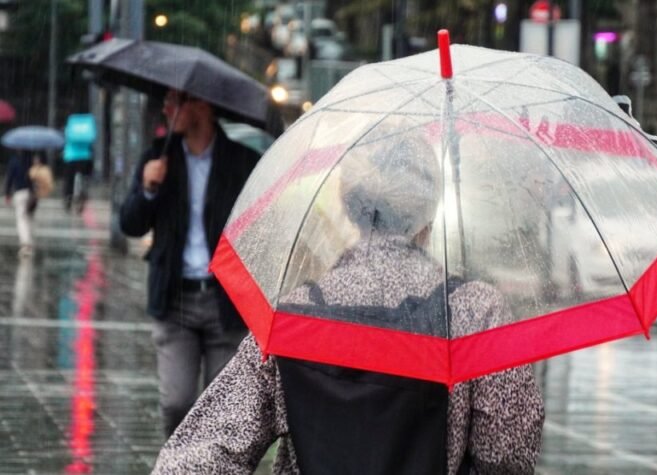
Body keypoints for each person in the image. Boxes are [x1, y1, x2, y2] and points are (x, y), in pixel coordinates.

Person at [152, 133, 545, 474]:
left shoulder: (294, 318)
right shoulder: (476, 313)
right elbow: (508, 454)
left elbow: (201, 454)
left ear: (348, 205)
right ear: (431, 210)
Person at [119, 89, 261, 438]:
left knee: (222, 410)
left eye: (175, 101)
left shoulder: (242, 162)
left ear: (203, 105)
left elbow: (258, 227)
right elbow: (130, 224)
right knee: (177, 402)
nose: (166, 109)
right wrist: (148, 190)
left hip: (224, 300)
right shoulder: (158, 157)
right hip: (175, 298)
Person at [63, 113, 97, 213]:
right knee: (85, 179)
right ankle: (82, 197)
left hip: (71, 156)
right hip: (85, 156)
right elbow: (93, 137)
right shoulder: (89, 123)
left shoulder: (71, 124)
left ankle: (68, 199)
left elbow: (67, 136)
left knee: (69, 180)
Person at [4, 150, 35, 257]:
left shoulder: (14, 161)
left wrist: (7, 193)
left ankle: (25, 244)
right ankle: (30, 242)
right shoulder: (31, 161)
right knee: (29, 218)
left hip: (19, 193)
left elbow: (10, 178)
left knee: (21, 219)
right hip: (31, 193)